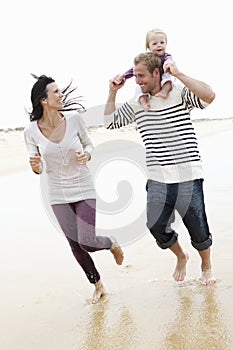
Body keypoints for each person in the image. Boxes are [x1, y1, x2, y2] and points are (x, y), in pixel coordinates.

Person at [104, 52, 216, 286]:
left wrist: (179, 74)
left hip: (188, 175)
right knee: (155, 225)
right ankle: (181, 256)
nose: (137, 81)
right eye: (135, 76)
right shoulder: (137, 104)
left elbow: (209, 96)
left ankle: (206, 265)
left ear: (157, 73)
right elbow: (110, 122)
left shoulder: (178, 93)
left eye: (141, 75)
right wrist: (113, 91)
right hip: (157, 177)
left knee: (198, 226)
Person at [24, 74, 124, 304]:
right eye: (56, 92)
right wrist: (36, 166)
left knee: (87, 241)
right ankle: (97, 285)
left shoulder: (74, 119)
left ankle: (111, 242)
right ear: (43, 100)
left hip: (83, 187)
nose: (61, 95)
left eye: (61, 90)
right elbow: (37, 168)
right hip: (58, 194)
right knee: (74, 244)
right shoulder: (30, 131)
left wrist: (86, 154)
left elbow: (88, 143)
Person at [122, 28, 174, 111]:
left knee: (167, 77)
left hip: (163, 75)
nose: (159, 45)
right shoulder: (146, 59)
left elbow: (169, 60)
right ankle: (144, 102)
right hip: (151, 81)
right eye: (154, 43)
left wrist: (168, 63)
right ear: (148, 47)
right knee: (138, 87)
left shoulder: (166, 56)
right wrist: (124, 76)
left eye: (162, 42)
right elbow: (135, 69)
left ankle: (164, 91)